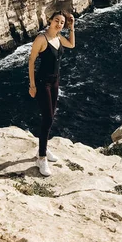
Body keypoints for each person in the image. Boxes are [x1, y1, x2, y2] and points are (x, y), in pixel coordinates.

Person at [28, 10, 75, 176]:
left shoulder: (58, 38)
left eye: (62, 22)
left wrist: (72, 27)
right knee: (47, 118)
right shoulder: (42, 38)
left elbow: (72, 44)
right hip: (43, 83)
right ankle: (41, 158)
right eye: (57, 20)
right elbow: (31, 60)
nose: (59, 24)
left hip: (55, 81)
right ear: (50, 20)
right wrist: (32, 85)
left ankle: (44, 148)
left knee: (50, 117)